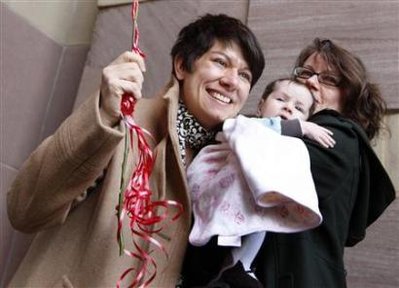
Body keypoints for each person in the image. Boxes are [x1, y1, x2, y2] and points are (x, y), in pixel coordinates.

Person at [6, 14, 265, 287]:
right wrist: (103, 117)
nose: (232, 81)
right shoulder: (124, 121)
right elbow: (25, 209)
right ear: (181, 65)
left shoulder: (232, 163)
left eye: (245, 75)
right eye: (221, 62)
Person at [180, 38, 396, 288]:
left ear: (348, 98)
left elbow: (264, 163)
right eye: (305, 73)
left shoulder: (341, 135)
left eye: (328, 79)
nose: (310, 82)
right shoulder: (279, 131)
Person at [186, 78, 333, 282]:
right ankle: (227, 260)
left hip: (248, 211)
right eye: (281, 99)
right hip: (217, 190)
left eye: (299, 108)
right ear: (260, 105)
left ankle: (242, 264)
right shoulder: (247, 124)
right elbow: (258, 130)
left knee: (264, 221)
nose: (288, 108)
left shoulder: (284, 149)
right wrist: (302, 127)